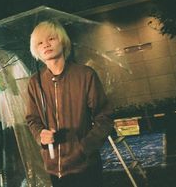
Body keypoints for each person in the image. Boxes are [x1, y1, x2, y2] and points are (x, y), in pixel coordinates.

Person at [26, 20, 113, 187]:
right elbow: (32, 120)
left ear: (63, 41)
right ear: (35, 49)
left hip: (85, 165)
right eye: (40, 42)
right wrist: (40, 135)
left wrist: (84, 148)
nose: (46, 45)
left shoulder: (85, 75)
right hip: (53, 168)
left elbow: (105, 117)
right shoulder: (34, 82)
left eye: (51, 38)